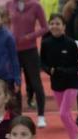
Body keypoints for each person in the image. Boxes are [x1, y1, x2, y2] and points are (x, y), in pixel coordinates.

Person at [41, 13, 78, 139]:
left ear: (64, 26)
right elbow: (43, 62)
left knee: (64, 114)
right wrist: (50, 70)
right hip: (56, 84)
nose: (54, 26)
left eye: (58, 23)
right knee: (66, 115)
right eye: (52, 23)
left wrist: (64, 71)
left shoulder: (71, 43)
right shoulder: (45, 42)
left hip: (72, 83)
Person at [6, 0, 49, 128]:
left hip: (30, 50)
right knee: (15, 83)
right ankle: (17, 115)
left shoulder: (36, 5)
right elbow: (5, 24)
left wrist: (30, 36)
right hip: (13, 51)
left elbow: (45, 27)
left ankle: (41, 115)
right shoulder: (9, 5)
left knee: (36, 83)